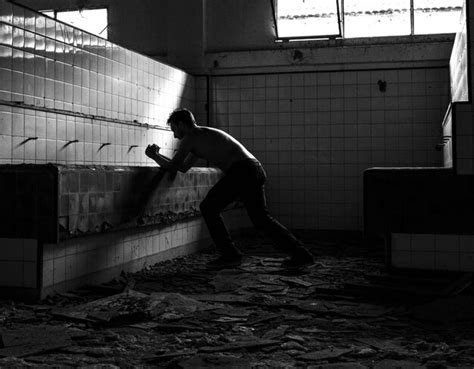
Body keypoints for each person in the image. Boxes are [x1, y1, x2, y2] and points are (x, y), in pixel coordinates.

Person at [145, 108, 314, 269]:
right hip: (254, 168)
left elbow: (174, 167)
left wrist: (153, 156)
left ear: (181, 124)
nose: (174, 134)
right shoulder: (203, 135)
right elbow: (182, 167)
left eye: (174, 128)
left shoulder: (191, 136)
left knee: (209, 207)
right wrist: (158, 156)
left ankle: (230, 255)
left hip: (242, 171)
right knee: (261, 219)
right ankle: (301, 254)